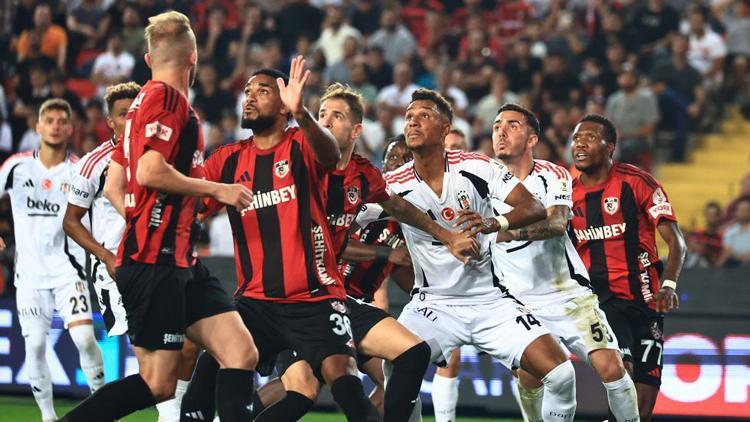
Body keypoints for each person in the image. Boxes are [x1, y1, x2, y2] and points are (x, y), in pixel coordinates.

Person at [61, 11, 259, 422]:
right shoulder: (167, 100)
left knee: (241, 352)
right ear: (194, 56)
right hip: (156, 263)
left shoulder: (137, 111)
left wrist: (151, 217)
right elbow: (150, 171)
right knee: (158, 384)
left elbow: (118, 185)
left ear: (149, 58)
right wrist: (215, 189)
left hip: (179, 258)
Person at [247, 84, 479, 420]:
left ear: (356, 130)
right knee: (303, 389)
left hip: (337, 301)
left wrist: (447, 237)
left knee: (411, 354)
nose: (325, 121)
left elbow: (400, 208)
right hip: (292, 302)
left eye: (335, 115)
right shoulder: (296, 165)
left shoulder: (363, 178)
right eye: (321, 114)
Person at [181, 59, 379, 422]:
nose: (250, 98)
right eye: (247, 92)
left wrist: (301, 111)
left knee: (345, 382)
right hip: (256, 300)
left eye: (262, 91)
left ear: (283, 104)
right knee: (207, 376)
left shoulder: (301, 145)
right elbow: (190, 206)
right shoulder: (227, 161)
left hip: (315, 298)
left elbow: (331, 155)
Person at [372, 89, 578, 421]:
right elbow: (348, 217)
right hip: (433, 303)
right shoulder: (391, 185)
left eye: (424, 115)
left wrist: (492, 223)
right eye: (409, 115)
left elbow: (535, 208)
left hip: (491, 301)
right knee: (395, 367)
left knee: (561, 374)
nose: (412, 120)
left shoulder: (477, 167)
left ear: (444, 129)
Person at [456, 104, 639, 422]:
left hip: (569, 296)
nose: (500, 131)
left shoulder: (553, 174)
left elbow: (556, 224)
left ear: (531, 139)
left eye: (512, 126)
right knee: (531, 378)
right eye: (497, 125)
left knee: (612, 368)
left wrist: (502, 227)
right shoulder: (477, 182)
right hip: (518, 304)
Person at [62, 82, 197, 422]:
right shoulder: (95, 163)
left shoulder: (159, 157)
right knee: (156, 363)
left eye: (134, 113)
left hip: (164, 265)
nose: (130, 120)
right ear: (110, 121)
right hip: (121, 271)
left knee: (186, 348)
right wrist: (106, 257)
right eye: (123, 115)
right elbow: (71, 221)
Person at [570, 114, 687, 421]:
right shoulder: (565, 194)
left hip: (646, 300)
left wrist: (669, 284)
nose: (580, 143)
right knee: (621, 369)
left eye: (590, 138)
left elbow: (677, 242)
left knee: (644, 402)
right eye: (576, 138)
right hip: (600, 301)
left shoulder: (637, 183)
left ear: (611, 148)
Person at [0, 99, 105, 422]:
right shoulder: (16, 166)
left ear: (71, 129)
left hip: (67, 272)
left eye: (62, 120)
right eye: (50, 120)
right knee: (34, 349)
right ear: (38, 126)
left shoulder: (77, 170)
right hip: (29, 276)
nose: (56, 125)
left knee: (86, 339)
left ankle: (104, 409)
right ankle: (48, 417)